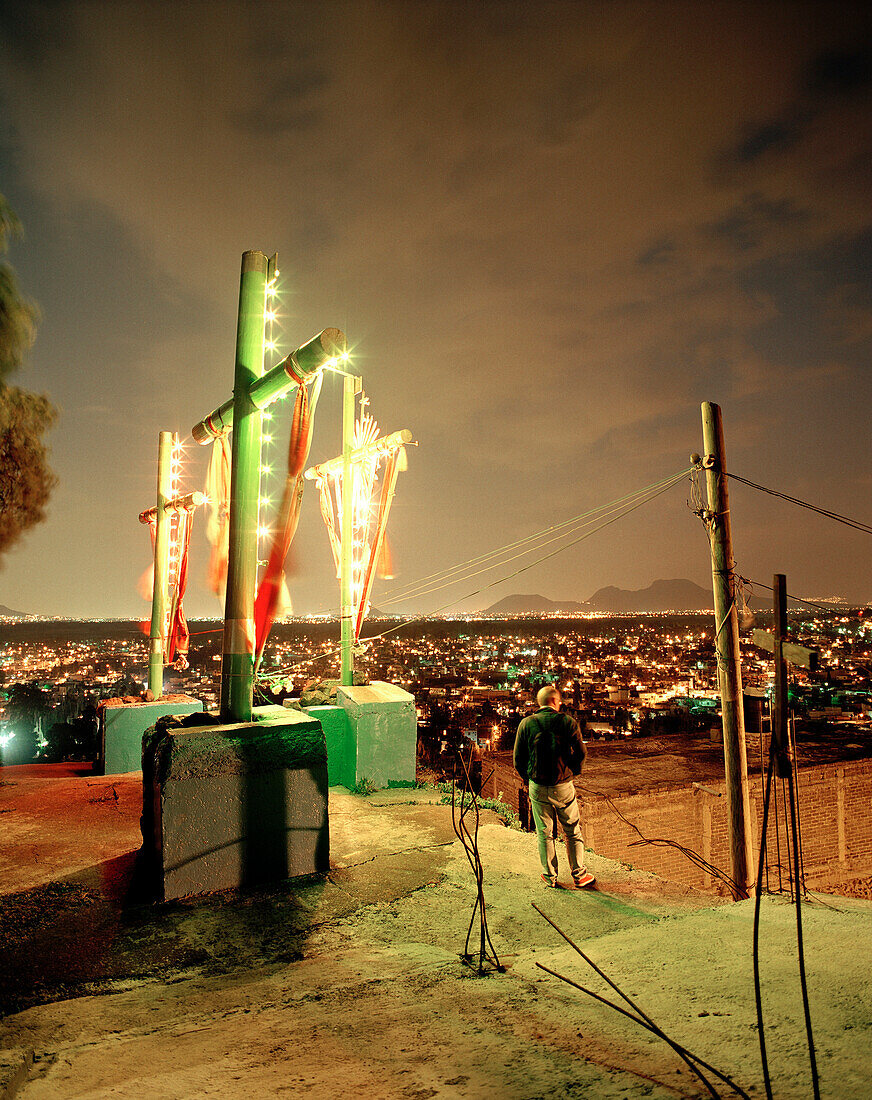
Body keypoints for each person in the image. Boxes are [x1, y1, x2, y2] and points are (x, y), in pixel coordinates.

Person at [513, 684, 595, 889]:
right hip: (563, 785)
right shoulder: (567, 722)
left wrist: (528, 777)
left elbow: (517, 759)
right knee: (572, 831)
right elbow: (581, 752)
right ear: (554, 702)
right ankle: (579, 874)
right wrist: (572, 772)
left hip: (538, 786)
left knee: (544, 833)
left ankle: (550, 876)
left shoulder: (526, 723)